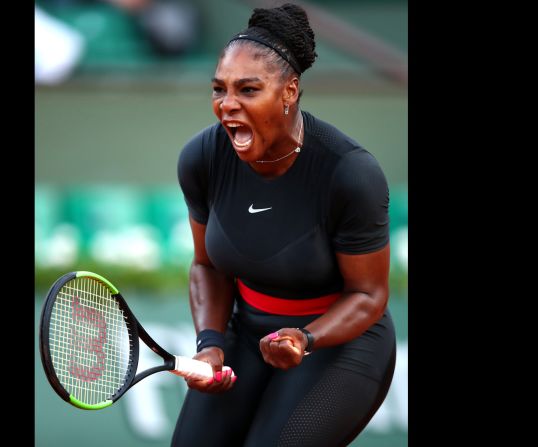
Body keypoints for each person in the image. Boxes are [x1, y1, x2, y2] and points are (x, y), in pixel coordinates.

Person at [171, 3, 396, 446]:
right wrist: (211, 343)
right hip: (247, 330)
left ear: (290, 92)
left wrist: (305, 337)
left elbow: (369, 295)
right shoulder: (202, 158)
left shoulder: (349, 173)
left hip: (339, 340)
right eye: (219, 89)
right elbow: (208, 266)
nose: (227, 104)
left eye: (248, 90)